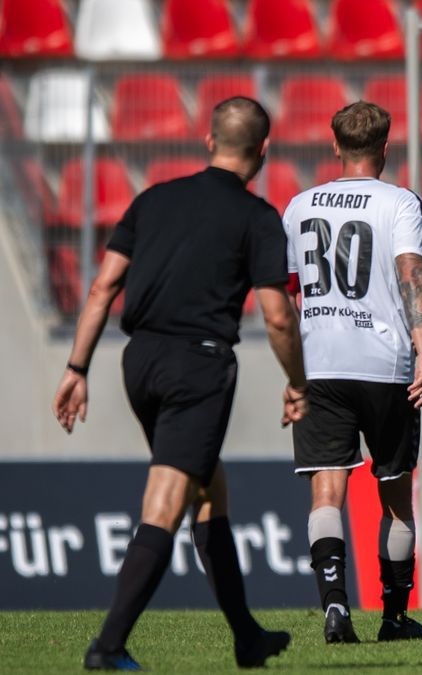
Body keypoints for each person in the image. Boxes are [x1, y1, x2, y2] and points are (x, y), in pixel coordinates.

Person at [51, 96, 307, 670]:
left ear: (209, 140)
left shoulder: (153, 198)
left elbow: (101, 289)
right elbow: (277, 316)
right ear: (264, 151)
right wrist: (299, 383)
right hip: (199, 365)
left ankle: (247, 636)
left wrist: (76, 368)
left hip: (137, 362)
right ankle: (108, 646)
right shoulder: (257, 218)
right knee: (166, 503)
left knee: (208, 488)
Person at [280, 101, 422, 644]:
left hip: (321, 363)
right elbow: (409, 269)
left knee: (327, 492)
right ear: (386, 149)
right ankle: (393, 617)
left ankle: (335, 608)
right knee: (395, 497)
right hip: (384, 364)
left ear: (334, 145)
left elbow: (289, 292)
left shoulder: (298, 207)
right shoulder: (400, 202)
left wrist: (298, 364)